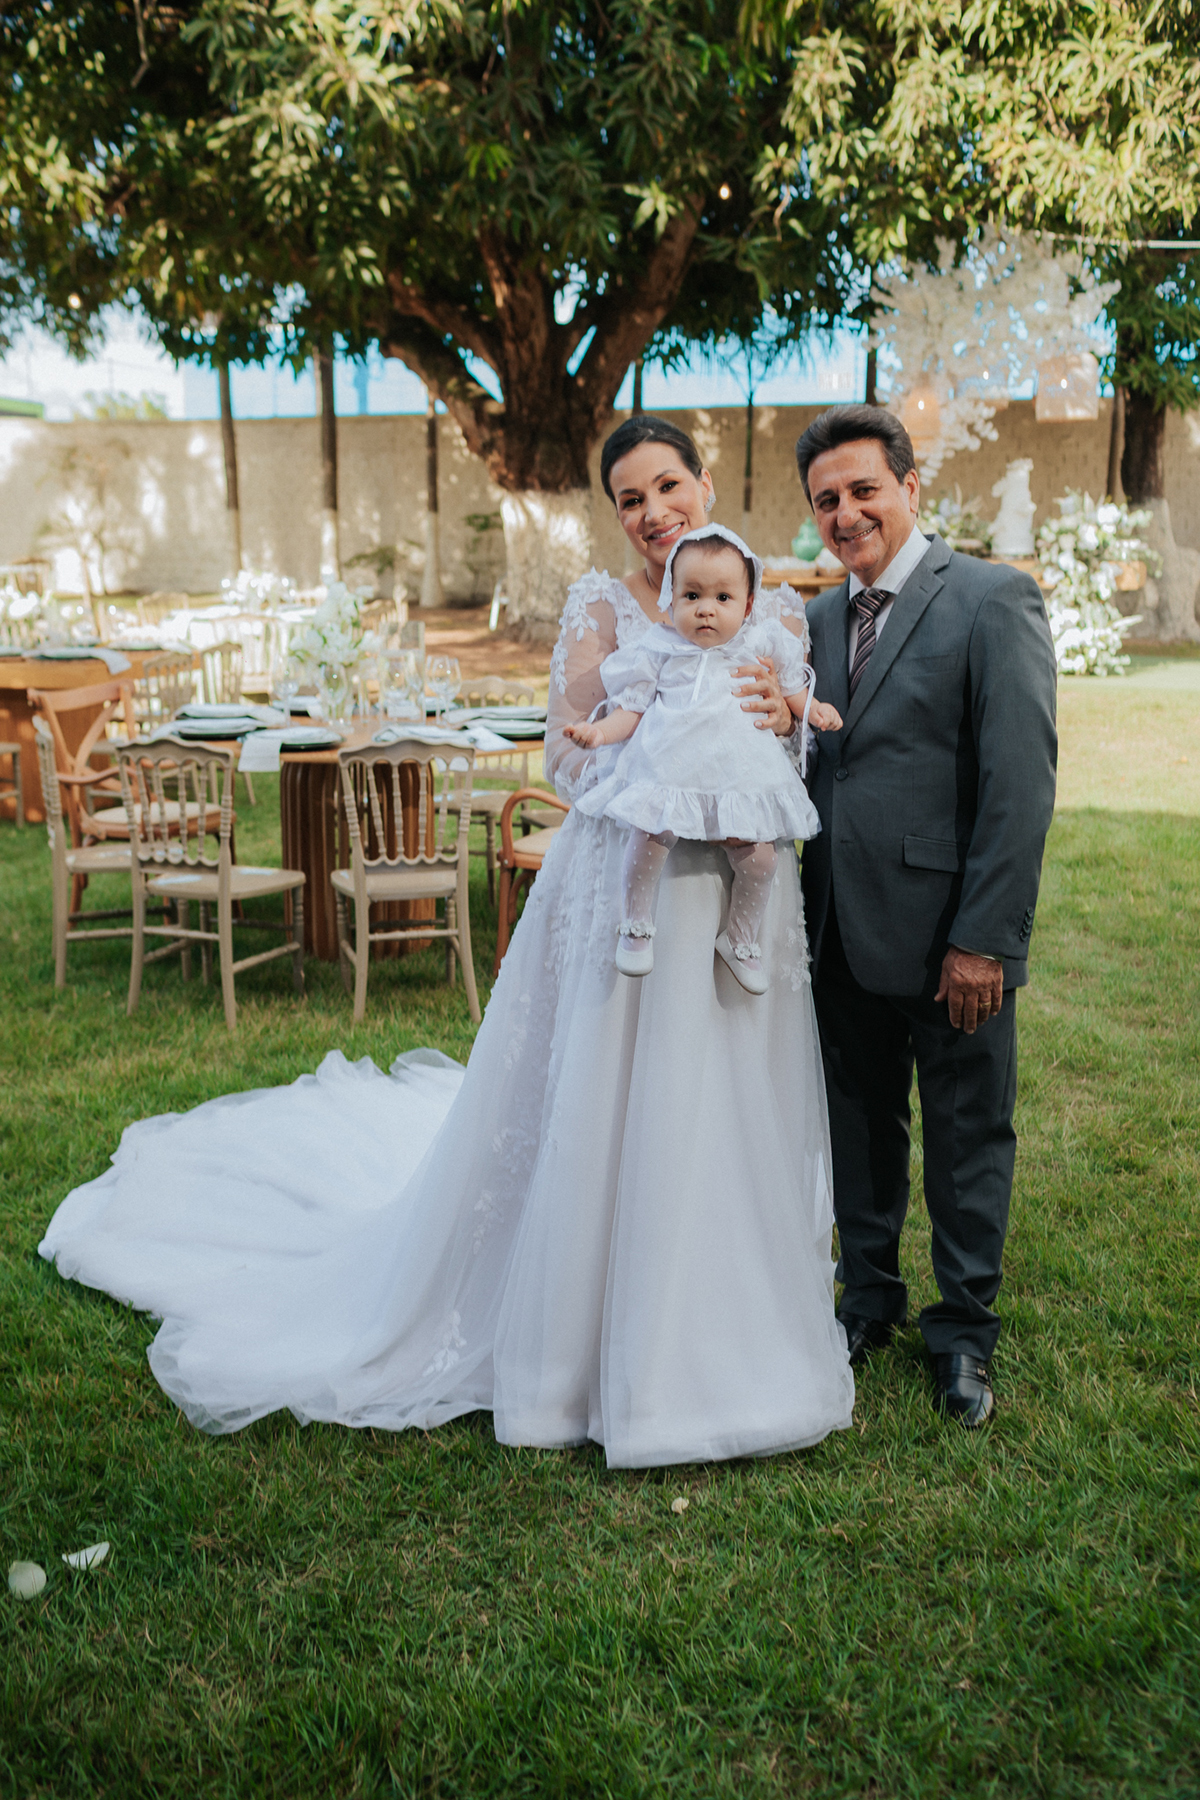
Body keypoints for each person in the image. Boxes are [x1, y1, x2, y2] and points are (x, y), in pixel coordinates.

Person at [38, 414, 855, 1469]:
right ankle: (577, 1350)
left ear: (703, 481)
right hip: (622, 878)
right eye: (630, 501)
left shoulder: (768, 603)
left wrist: (770, 728)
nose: (654, 515)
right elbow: (567, 757)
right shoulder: (602, 609)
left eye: (667, 487)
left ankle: (724, 1330)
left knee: (719, 1097)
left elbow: (796, 740)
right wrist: (655, 764)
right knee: (608, 1098)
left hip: (735, 890)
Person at [795, 404, 1058, 1427]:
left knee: (965, 1132)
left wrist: (984, 938)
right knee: (858, 1129)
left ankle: (963, 1336)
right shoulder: (814, 623)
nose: (848, 512)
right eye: (828, 500)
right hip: (838, 932)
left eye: (865, 489)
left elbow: (1019, 784)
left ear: (912, 487)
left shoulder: (992, 599)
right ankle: (867, 1303)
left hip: (953, 935)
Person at [567, 523, 841, 992]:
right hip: (669, 771)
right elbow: (630, 710)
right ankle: (635, 923)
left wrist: (813, 709)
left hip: (739, 780)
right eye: (691, 596)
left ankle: (740, 938)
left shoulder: (759, 643)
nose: (706, 610)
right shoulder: (660, 649)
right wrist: (598, 731)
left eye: (722, 598)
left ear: (748, 605)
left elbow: (792, 687)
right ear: (671, 601)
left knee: (760, 860)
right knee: (650, 833)